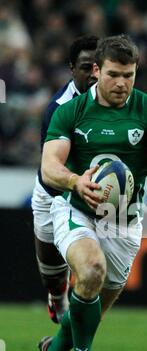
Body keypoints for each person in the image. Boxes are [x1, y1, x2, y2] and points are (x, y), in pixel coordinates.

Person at [36, 34, 147, 351]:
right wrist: (74, 180)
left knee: (91, 310)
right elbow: (49, 165)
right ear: (97, 70)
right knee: (91, 271)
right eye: (114, 74)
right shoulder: (71, 111)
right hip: (76, 211)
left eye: (129, 75)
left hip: (124, 221)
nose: (122, 84)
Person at [31, 35, 99, 324]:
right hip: (54, 192)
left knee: (90, 271)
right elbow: (52, 167)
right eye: (86, 67)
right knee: (51, 274)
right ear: (72, 69)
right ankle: (56, 296)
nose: (94, 74)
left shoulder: (123, 100)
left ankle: (76, 347)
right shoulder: (59, 108)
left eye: (99, 66)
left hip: (93, 194)